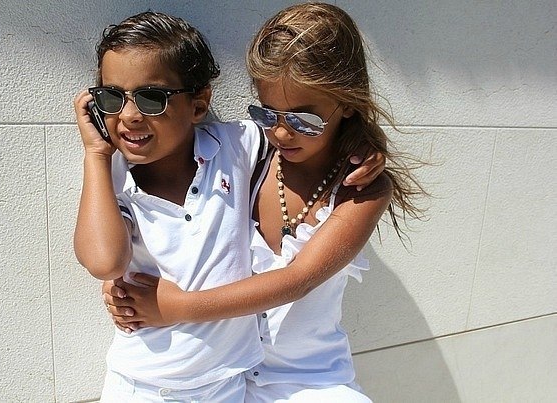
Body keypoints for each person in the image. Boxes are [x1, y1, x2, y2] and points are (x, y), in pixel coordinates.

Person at [103, 3, 426, 402]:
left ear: (346, 102)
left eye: (304, 119)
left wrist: (178, 307)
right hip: (227, 380)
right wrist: (121, 279)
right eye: (267, 113)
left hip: (308, 381)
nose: (282, 132)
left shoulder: (362, 192)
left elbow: (299, 280)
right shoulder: (251, 154)